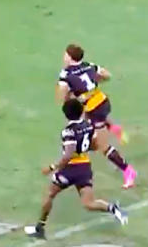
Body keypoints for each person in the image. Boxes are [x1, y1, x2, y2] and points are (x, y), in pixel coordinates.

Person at [23, 99, 127, 239]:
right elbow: (95, 145)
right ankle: (112, 208)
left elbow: (68, 154)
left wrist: (52, 167)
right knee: (88, 203)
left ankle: (40, 228)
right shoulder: (88, 126)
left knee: (49, 194)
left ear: (66, 114)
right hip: (84, 166)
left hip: (70, 168)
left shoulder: (69, 132)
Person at [56, 44, 137, 189]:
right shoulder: (89, 65)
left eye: (65, 54)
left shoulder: (66, 74)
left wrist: (71, 97)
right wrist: (92, 86)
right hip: (102, 101)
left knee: (102, 146)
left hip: (93, 109)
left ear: (69, 57)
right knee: (92, 125)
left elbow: (62, 97)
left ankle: (128, 171)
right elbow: (107, 75)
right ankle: (117, 131)